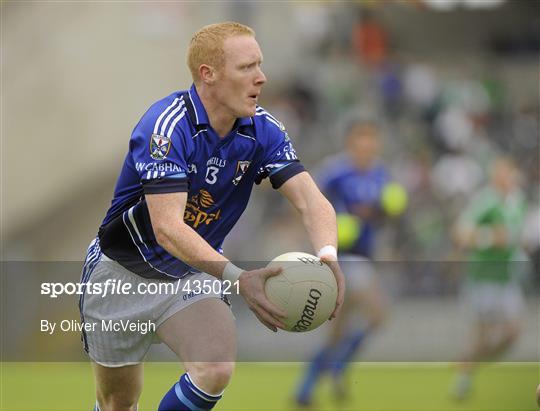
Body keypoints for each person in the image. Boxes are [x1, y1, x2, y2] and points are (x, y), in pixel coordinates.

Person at [79, 22, 345, 411]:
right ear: (209, 74)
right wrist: (240, 279)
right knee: (118, 401)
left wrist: (328, 254)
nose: (262, 77)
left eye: (261, 65)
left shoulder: (263, 131)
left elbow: (310, 199)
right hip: (121, 276)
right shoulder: (166, 128)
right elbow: (167, 228)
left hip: (191, 273)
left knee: (215, 368)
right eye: (247, 67)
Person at [295, 115, 397, 407]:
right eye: (361, 137)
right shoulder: (335, 172)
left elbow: (383, 215)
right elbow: (308, 202)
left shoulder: (380, 175)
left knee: (338, 331)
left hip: (365, 255)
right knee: (377, 314)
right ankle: (336, 366)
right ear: (351, 141)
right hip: (340, 256)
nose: (367, 144)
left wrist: (385, 212)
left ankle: (308, 384)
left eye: (371, 138)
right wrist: (331, 230)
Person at [451, 156, 527, 400]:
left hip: (507, 277)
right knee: (481, 334)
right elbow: (462, 233)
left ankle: (469, 364)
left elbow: (517, 235)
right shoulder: (486, 201)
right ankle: (464, 378)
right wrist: (492, 237)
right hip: (483, 277)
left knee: (512, 333)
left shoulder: (518, 201)